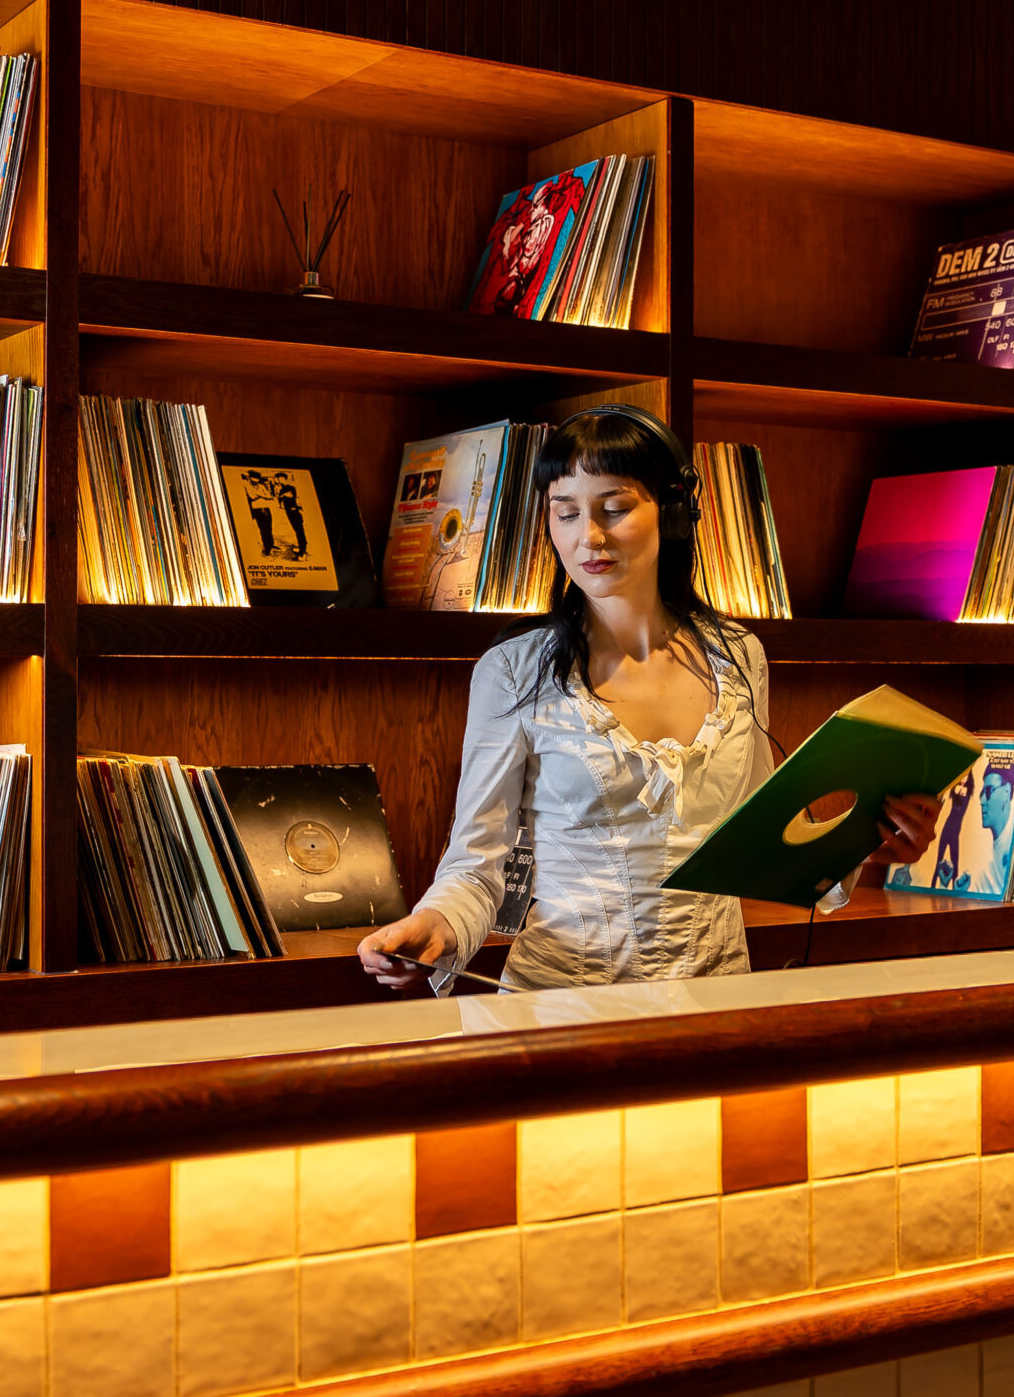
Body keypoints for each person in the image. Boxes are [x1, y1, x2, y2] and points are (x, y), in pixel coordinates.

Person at [358, 406, 941, 992]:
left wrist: (870, 845)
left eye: (614, 508)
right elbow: (475, 869)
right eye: (566, 512)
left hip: (719, 1002)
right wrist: (430, 928)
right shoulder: (512, 671)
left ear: (674, 511)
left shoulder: (740, 657)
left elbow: (763, 848)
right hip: (562, 1009)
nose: (588, 536)